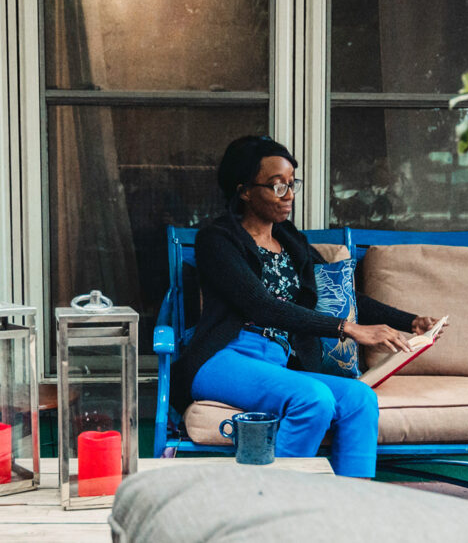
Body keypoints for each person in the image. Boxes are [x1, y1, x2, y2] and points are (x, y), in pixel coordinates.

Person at [171, 135, 443, 478]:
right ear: (244, 191)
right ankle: (274, 503)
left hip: (276, 362)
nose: (290, 195)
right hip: (223, 357)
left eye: (291, 184)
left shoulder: (292, 242)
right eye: (277, 186)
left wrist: (411, 321)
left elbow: (341, 295)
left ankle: (348, 506)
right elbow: (261, 306)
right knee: (313, 398)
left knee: (359, 399)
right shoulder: (217, 240)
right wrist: (345, 328)